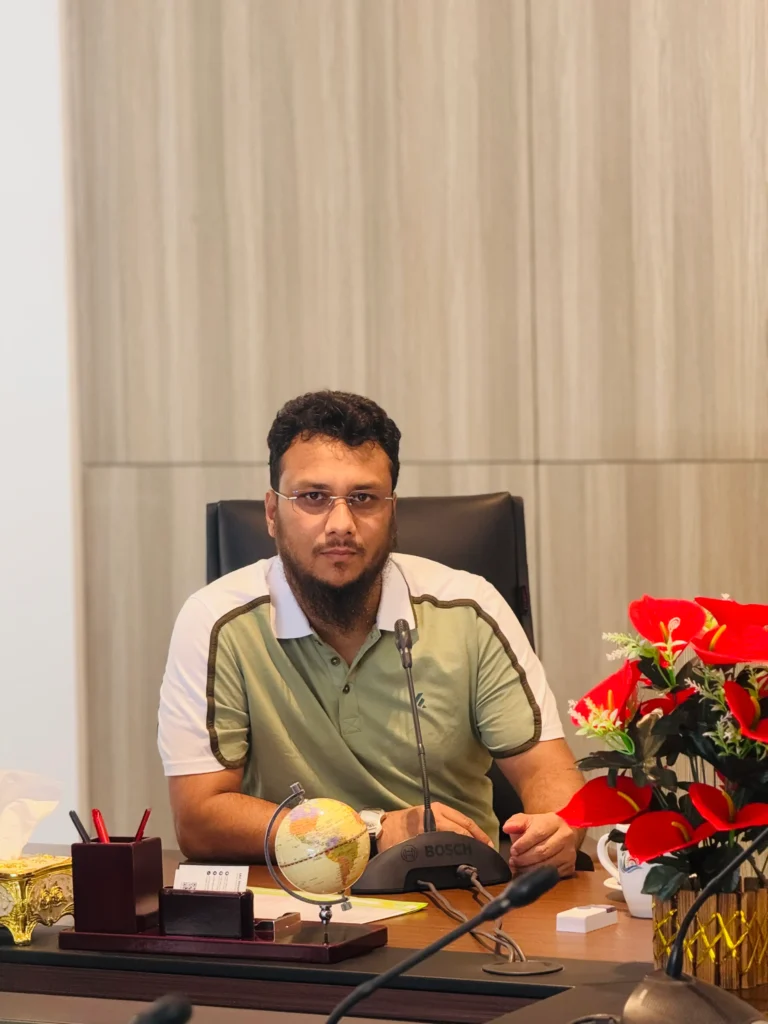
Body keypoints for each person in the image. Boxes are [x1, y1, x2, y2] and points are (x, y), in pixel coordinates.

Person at [158, 391, 585, 876]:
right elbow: (199, 817)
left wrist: (557, 825)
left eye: (363, 499)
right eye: (312, 498)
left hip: (460, 894)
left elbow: (548, 769)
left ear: (392, 513)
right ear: (273, 514)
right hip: (293, 907)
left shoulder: (469, 607)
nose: (340, 525)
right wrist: (372, 831)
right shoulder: (216, 620)